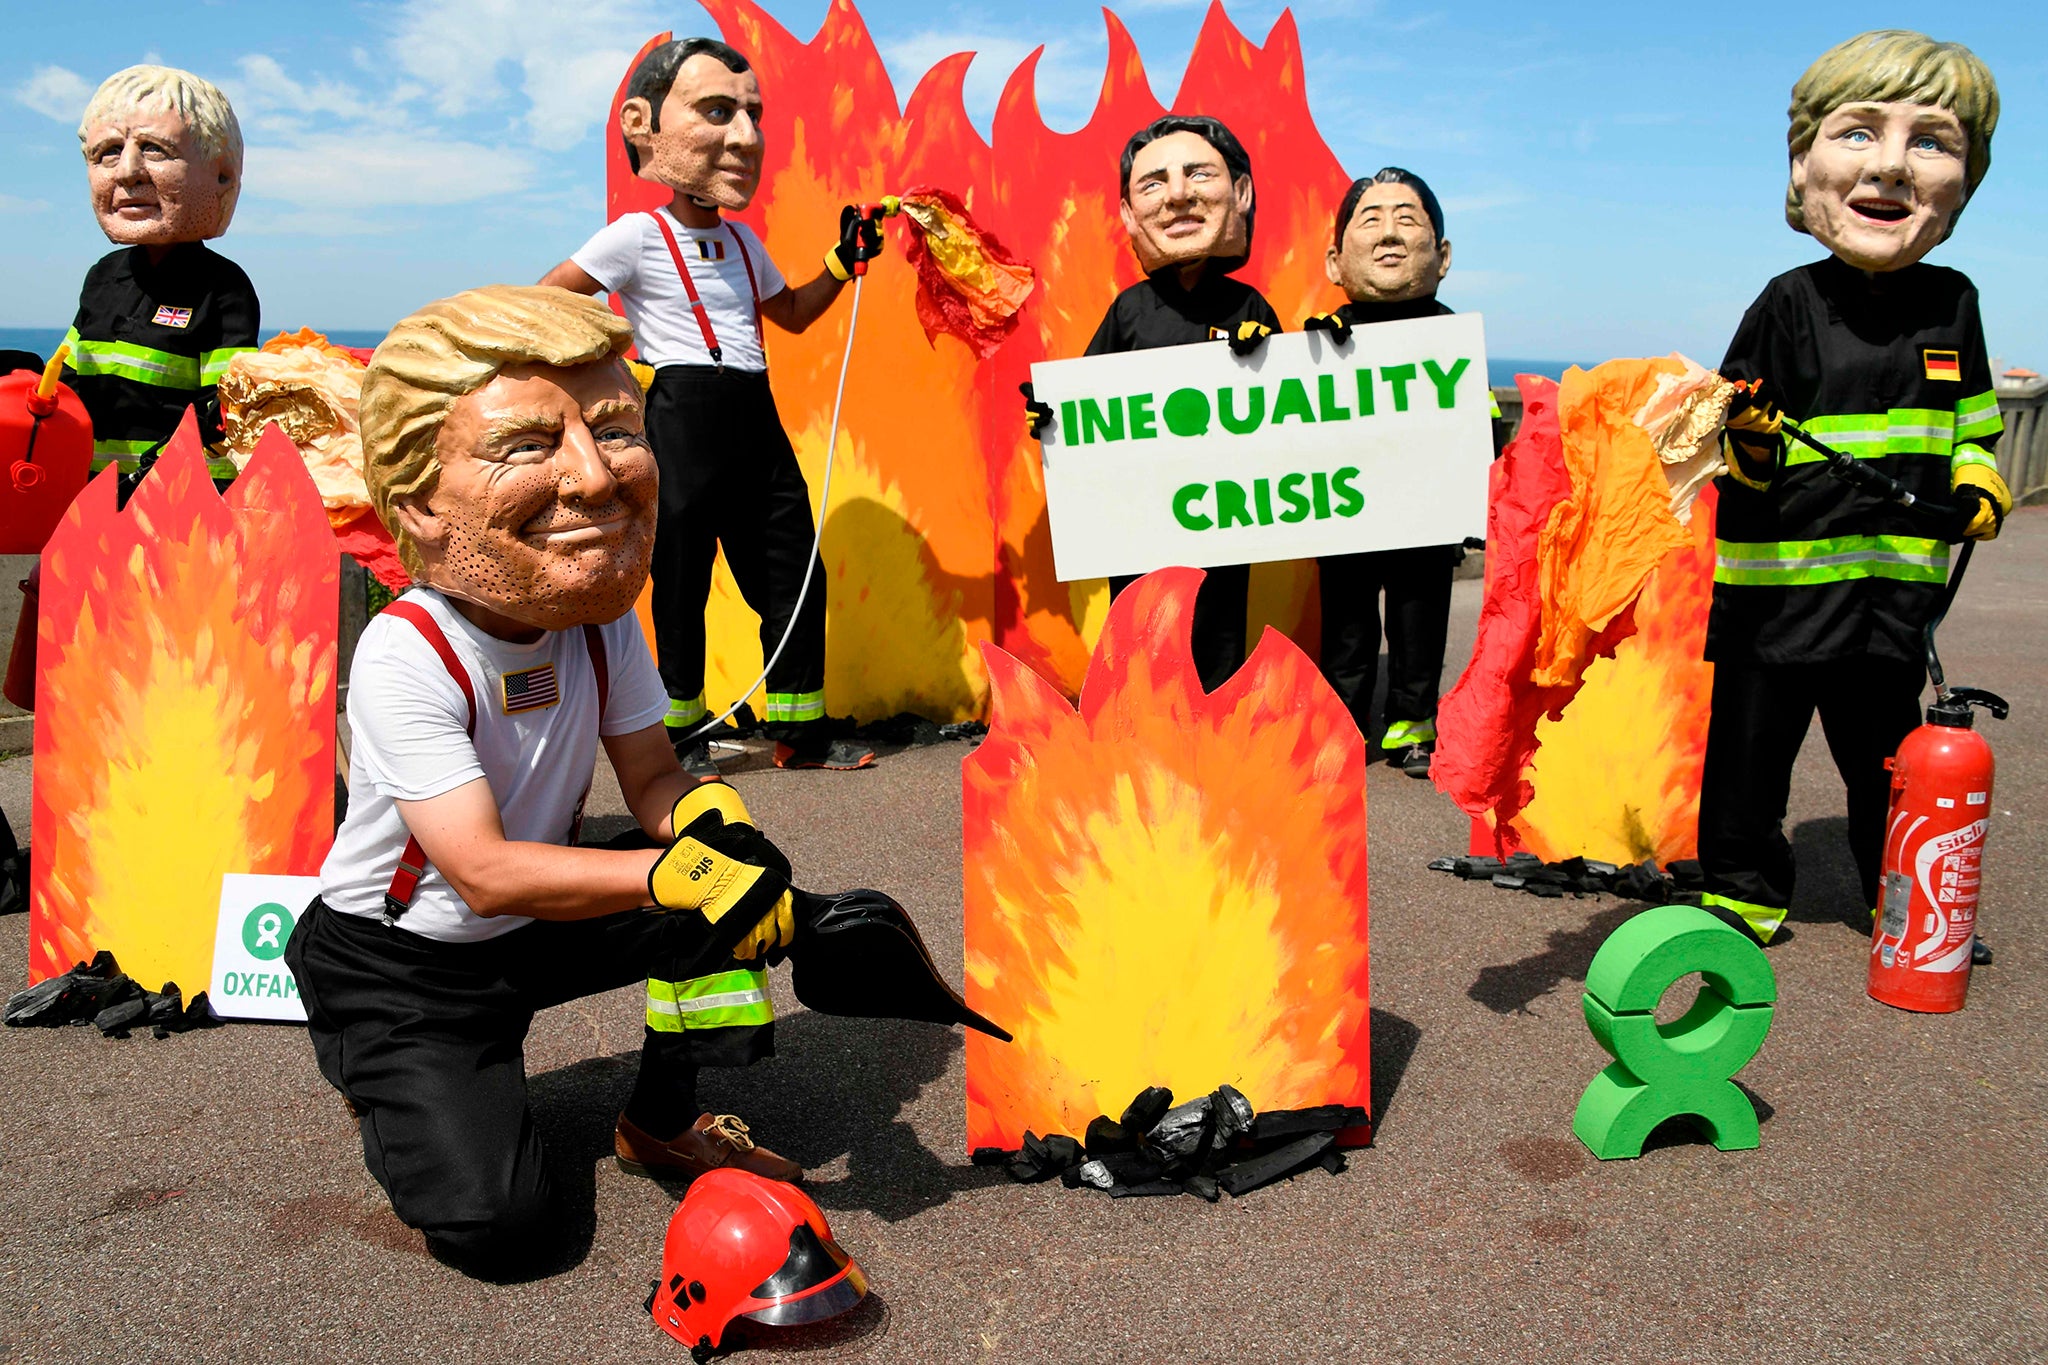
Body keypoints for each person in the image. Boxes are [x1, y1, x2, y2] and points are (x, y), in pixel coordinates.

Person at [286, 285, 817, 1279]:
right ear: (418, 507)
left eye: (615, 429)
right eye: (529, 446)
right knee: (503, 1233)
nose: (595, 477)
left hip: (531, 923)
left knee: (738, 883)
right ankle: (377, 1067)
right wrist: (673, 878)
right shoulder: (411, 654)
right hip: (404, 964)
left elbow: (653, 775)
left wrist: (714, 826)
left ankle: (661, 1120)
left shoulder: (599, 615)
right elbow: (482, 871)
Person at [1699, 30, 2010, 946]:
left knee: (1887, 761)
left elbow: (1976, 425)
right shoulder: (1786, 300)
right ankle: (1741, 891)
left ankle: (1901, 899)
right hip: (1776, 599)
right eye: (1859, 134)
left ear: (1966, 181)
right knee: (1750, 755)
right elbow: (1728, 442)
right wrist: (1748, 437)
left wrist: (1978, 483)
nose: (1891, 166)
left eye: (1931, 142)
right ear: (1802, 167)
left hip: (1891, 596)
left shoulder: (1956, 302)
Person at [540, 37, 880, 779]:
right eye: (719, 111)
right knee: (682, 576)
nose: (744, 136)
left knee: (794, 569)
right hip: (680, 413)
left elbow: (789, 314)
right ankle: (682, 734)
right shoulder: (636, 235)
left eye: (751, 115)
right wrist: (618, 375)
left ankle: (803, 730)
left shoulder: (742, 240)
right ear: (648, 128)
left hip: (753, 412)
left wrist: (840, 264)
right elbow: (549, 297)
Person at [1027, 114, 1278, 690]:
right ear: (1129, 212)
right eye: (1155, 183)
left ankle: (1212, 731)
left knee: (1216, 627)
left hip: (1223, 515)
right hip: (1138, 515)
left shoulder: (1250, 307)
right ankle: (1132, 725)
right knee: (1138, 624)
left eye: (1197, 174)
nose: (1179, 195)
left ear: (1238, 193)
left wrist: (1264, 354)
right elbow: (1084, 398)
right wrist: (1047, 413)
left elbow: (1290, 409)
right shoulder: (1130, 310)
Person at [1300, 167, 1495, 776]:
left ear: (1442, 256)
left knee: (1419, 622)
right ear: (1335, 261)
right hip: (1346, 516)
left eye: (1406, 220)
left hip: (1425, 517)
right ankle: (1345, 723)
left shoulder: (1451, 337)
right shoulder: (1324, 338)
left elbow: (1478, 426)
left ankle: (1413, 721)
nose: (1388, 235)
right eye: (1371, 220)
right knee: (1348, 628)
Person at [62, 65, 257, 482]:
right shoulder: (101, 278)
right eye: (107, 152)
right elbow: (65, 382)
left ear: (222, 175)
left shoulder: (222, 289)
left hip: (188, 501)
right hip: (93, 491)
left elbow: (228, 406)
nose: (127, 171)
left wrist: (154, 471)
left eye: (154, 150)